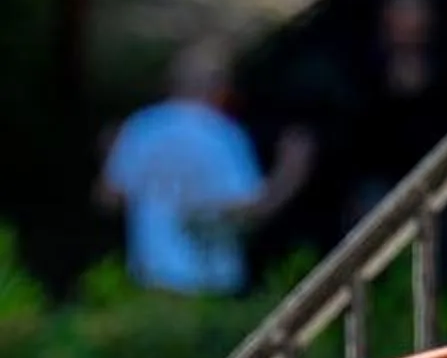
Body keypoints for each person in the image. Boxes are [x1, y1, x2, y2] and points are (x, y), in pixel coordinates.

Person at [97, 43, 305, 294]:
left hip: (151, 281)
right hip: (210, 285)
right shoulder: (223, 134)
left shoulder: (141, 128)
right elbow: (248, 209)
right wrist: (290, 171)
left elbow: (109, 198)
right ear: (220, 89)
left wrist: (109, 155)